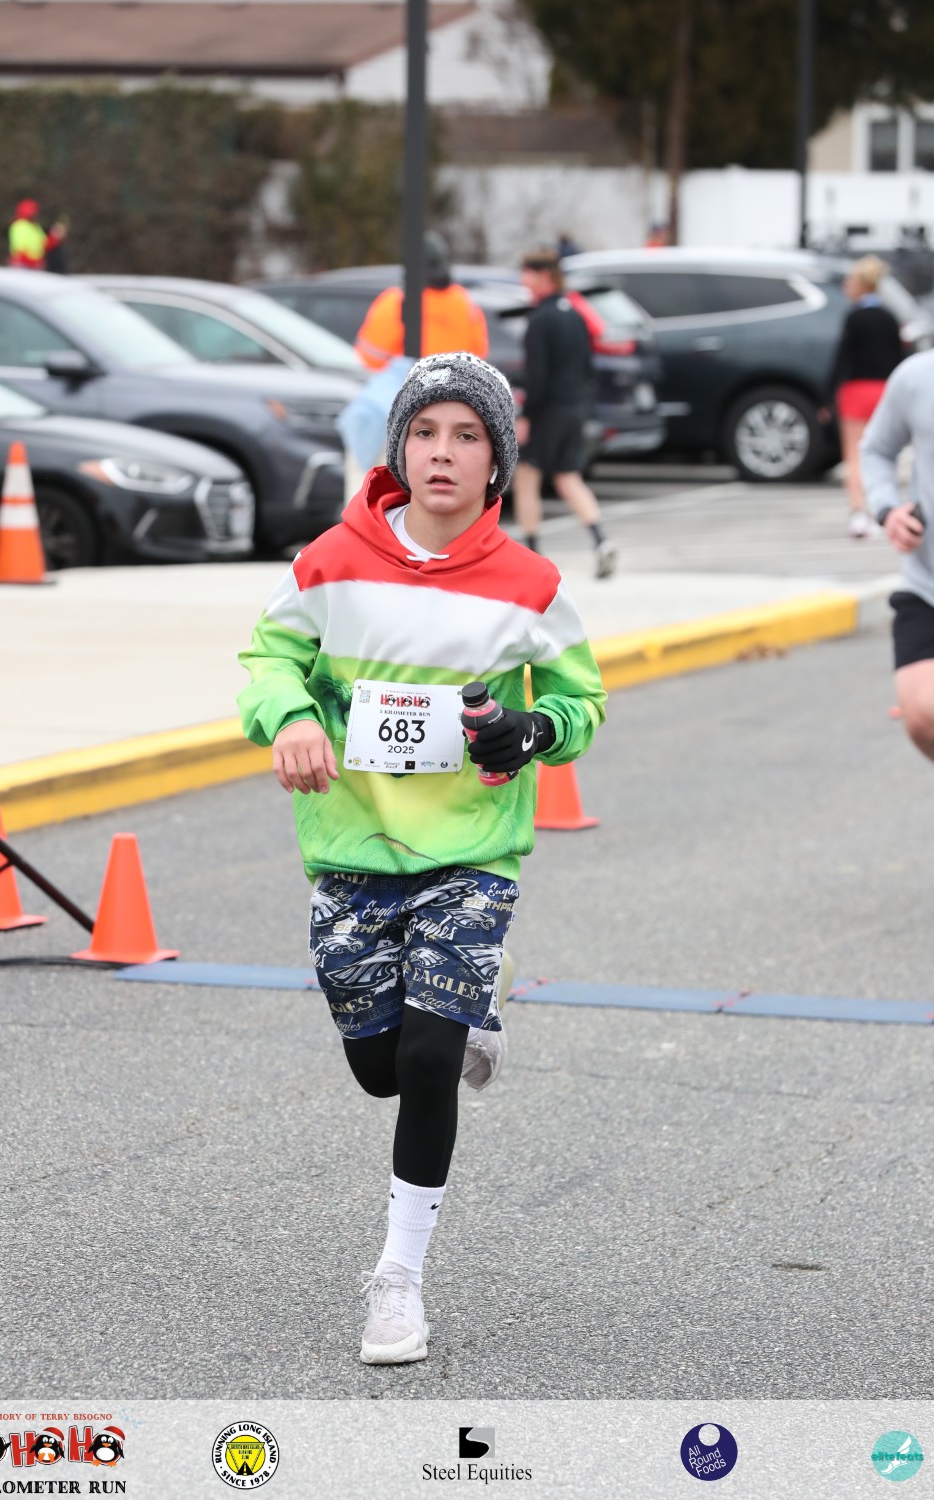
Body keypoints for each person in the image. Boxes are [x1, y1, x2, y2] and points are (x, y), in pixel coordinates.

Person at [237, 351, 606, 1365]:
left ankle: (397, 1281)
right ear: (400, 449)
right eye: (426, 433)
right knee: (377, 1069)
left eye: (468, 436)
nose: (444, 453)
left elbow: (580, 701)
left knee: (430, 1061)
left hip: (471, 852)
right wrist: (289, 719)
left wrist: (531, 732)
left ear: (497, 461)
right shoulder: (329, 561)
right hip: (352, 845)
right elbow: (266, 659)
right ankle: (473, 999)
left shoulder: (530, 584)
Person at [511, 248, 617, 577]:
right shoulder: (575, 314)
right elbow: (588, 367)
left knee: (527, 477)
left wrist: (526, 416)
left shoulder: (539, 319)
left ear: (544, 276)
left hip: (548, 411)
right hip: (575, 408)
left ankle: (532, 555)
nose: (523, 280)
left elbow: (537, 377)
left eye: (527, 273)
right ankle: (601, 540)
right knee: (568, 477)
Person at [861, 347, 934, 761]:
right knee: (923, 719)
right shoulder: (917, 377)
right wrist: (889, 511)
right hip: (927, 582)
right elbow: (876, 448)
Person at [822, 256, 902, 538]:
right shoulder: (890, 318)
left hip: (856, 391)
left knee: (854, 456)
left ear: (861, 284)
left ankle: (859, 514)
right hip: (885, 391)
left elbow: (842, 359)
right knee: (884, 453)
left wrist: (827, 396)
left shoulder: (854, 317)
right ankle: (885, 510)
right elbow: (899, 358)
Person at [354, 233, 489, 371]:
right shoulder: (464, 302)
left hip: (405, 381)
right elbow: (479, 354)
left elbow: (370, 357)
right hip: (454, 382)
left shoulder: (396, 302)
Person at [7, 200, 66, 271]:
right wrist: (32, 261)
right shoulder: (19, 225)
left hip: (36, 264)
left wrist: (54, 237)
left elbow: (44, 244)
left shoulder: (36, 226)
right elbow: (20, 248)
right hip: (23, 264)